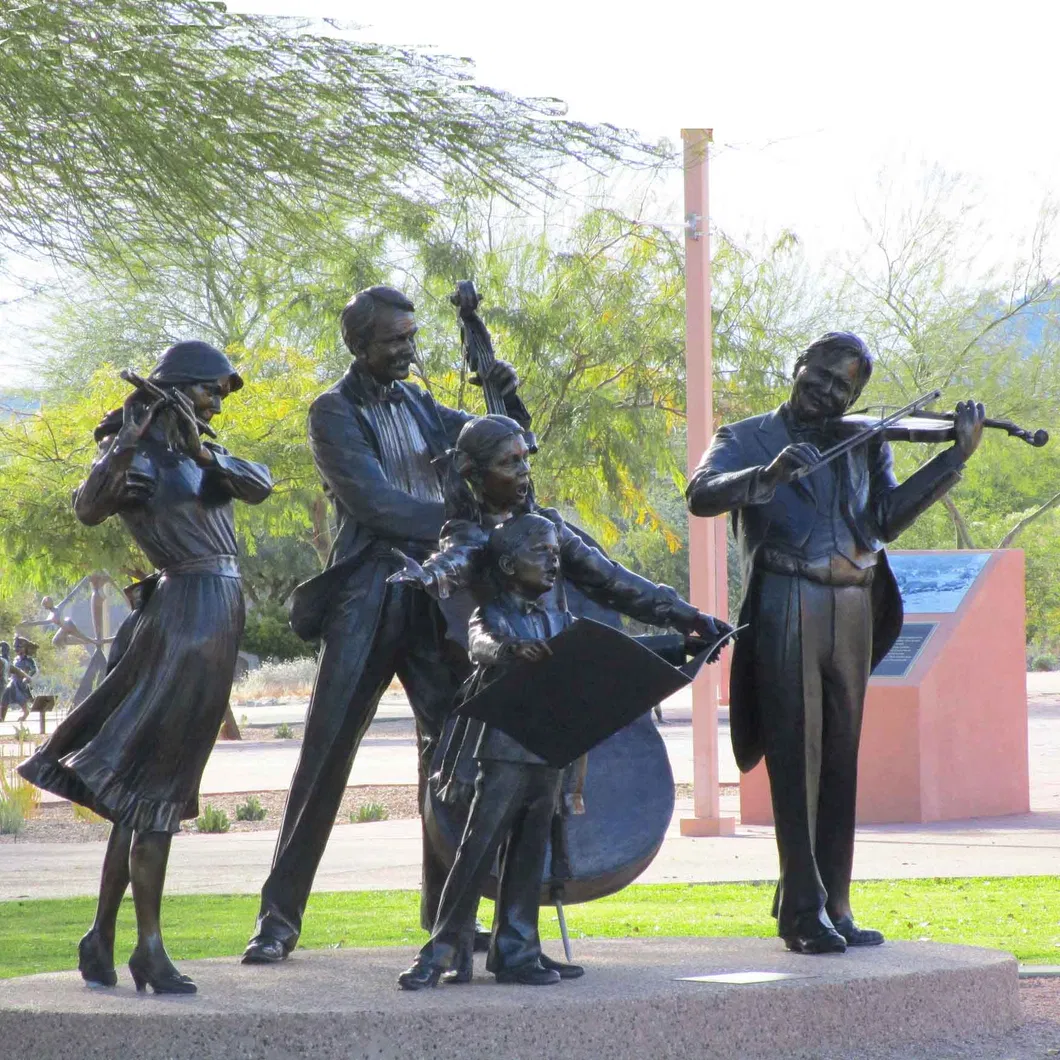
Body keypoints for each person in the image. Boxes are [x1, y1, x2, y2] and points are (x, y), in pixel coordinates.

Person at [243, 286, 528, 965]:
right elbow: (375, 505)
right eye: (395, 340)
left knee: (452, 753)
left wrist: (504, 395)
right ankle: (277, 919)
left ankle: (445, 915)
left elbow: (504, 448)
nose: (408, 349)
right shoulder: (332, 412)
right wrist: (471, 529)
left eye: (411, 337)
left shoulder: (420, 403)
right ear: (358, 344)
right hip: (370, 593)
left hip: (435, 600)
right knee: (326, 755)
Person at [686, 331, 985, 954]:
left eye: (842, 385)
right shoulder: (746, 437)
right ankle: (801, 908)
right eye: (818, 375)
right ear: (798, 366)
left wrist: (952, 458)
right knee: (796, 755)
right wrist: (764, 476)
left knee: (841, 757)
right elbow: (702, 494)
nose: (826, 390)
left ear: (855, 393)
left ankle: (835, 901)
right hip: (786, 597)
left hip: (852, 601)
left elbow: (882, 520)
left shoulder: (864, 439)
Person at [18, 341, 272, 994]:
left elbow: (261, 484)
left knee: (142, 796)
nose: (218, 402)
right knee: (154, 793)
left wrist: (201, 449)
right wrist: (129, 439)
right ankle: (148, 952)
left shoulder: (200, 459)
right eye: (210, 389)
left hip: (215, 612)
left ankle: (101, 939)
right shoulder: (134, 459)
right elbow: (87, 505)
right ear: (177, 389)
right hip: (185, 616)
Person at [399, 511, 727, 989]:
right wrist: (511, 651)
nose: (553, 563)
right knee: (478, 849)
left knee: (531, 854)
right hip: (506, 751)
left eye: (557, 554)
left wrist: (682, 648)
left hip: (552, 752)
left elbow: (615, 651)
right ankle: (443, 951)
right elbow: (481, 644)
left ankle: (518, 951)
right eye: (541, 554)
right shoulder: (493, 614)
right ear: (509, 565)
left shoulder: (562, 620)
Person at [0, 636, 38, 723]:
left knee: (20, 697)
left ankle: (25, 712)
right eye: (15, 647)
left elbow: (34, 670)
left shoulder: (28, 660)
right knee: (5, 695)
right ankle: (1, 716)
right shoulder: (16, 659)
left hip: (21, 682)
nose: (16, 649)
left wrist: (27, 677)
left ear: (25, 648)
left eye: (18, 647)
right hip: (13, 680)